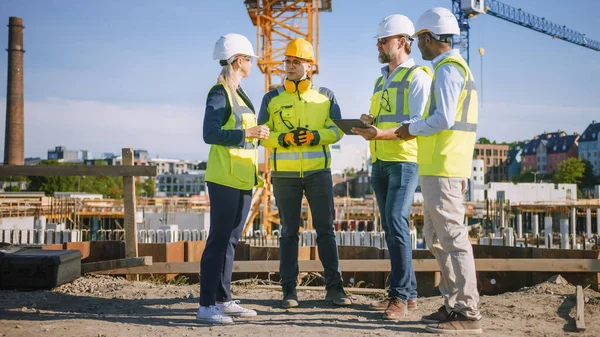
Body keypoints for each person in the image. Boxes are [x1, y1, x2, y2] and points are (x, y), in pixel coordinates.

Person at [395, 7, 482, 335]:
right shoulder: (451, 68)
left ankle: (467, 311)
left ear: (430, 38)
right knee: (437, 238)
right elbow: (439, 116)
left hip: (446, 166)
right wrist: (415, 125)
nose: (418, 46)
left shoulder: (448, 68)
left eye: (419, 40)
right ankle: (453, 304)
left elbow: (443, 118)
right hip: (439, 166)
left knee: (451, 237)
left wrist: (411, 130)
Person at [257, 37, 351, 309]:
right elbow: (261, 135)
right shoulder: (271, 98)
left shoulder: (326, 96)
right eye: (287, 61)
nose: (289, 66)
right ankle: (289, 291)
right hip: (284, 176)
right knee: (288, 232)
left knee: (325, 231)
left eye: (296, 62)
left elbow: (337, 130)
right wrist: (283, 139)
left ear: (310, 65)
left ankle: (335, 288)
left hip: (318, 173)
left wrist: (315, 136)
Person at [351, 14, 432, 321]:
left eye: (383, 41)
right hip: (380, 160)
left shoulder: (418, 77)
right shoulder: (380, 79)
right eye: (378, 41)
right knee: (391, 227)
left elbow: (418, 124)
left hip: (404, 160)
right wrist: (367, 123)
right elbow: (384, 117)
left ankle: (398, 296)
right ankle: (408, 295)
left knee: (397, 223)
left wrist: (379, 133)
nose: (379, 46)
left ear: (401, 42)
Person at [197, 33, 270, 324]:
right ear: (239, 61)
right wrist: (247, 134)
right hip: (224, 178)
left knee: (230, 241)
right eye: (249, 59)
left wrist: (258, 134)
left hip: (242, 178)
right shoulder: (220, 92)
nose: (252, 63)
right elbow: (209, 134)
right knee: (218, 240)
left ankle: (223, 299)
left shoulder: (239, 93)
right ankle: (205, 306)